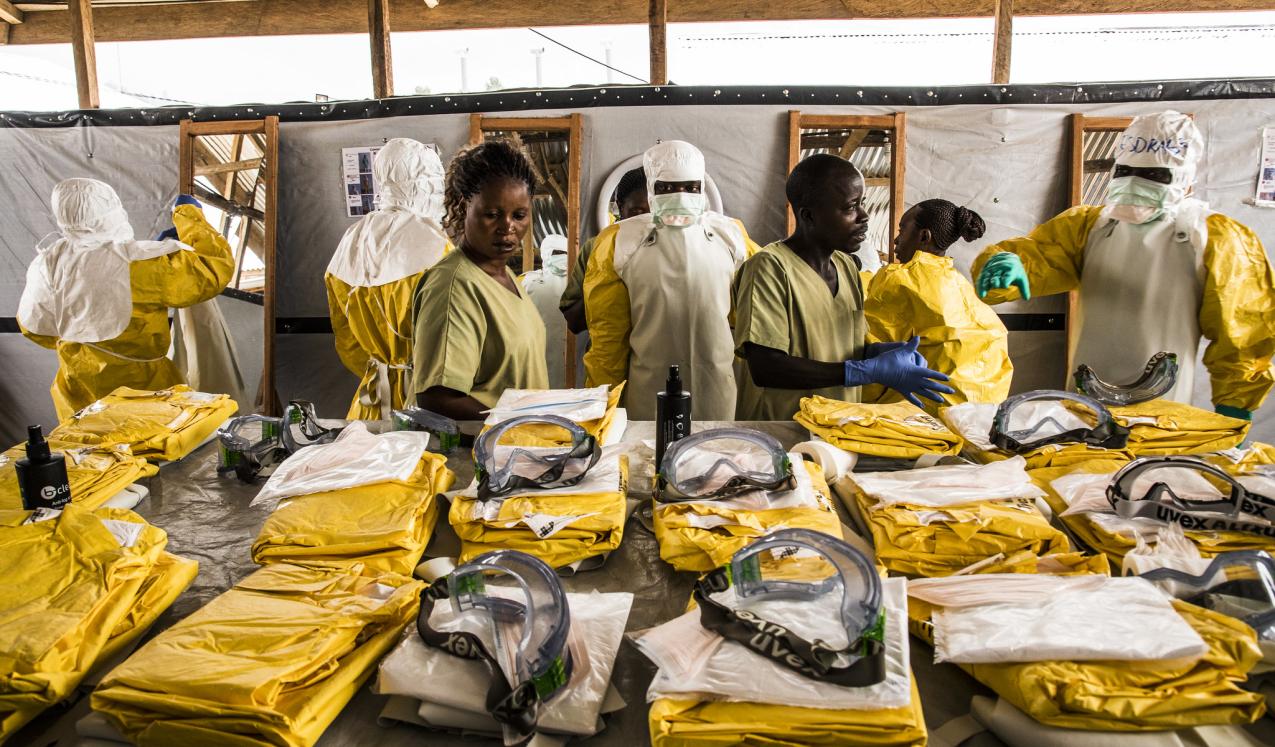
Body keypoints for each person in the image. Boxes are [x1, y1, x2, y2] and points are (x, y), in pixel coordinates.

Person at [973, 111, 1275, 419]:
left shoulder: (1215, 239)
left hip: (1162, 414)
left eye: (1154, 176)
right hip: (1083, 404)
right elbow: (1040, 256)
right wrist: (1007, 264)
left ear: (1184, 179)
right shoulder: (1087, 226)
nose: (1135, 183)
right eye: (1126, 171)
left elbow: (1244, 335)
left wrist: (1235, 409)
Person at [733, 154, 953, 420]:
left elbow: (847, 348)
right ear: (809, 216)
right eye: (850, 208)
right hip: (782, 432)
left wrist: (882, 355)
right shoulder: (769, 269)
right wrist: (865, 371)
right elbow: (766, 367)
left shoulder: (847, 268)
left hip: (838, 429)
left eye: (862, 203)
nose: (864, 216)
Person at [18, 178, 234, 421]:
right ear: (112, 211)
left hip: (76, 393)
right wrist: (189, 215)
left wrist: (85, 338)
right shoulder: (138, 264)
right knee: (151, 456)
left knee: (93, 455)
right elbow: (212, 269)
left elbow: (35, 330)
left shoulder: (48, 261)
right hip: (140, 392)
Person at [583, 140, 761, 421]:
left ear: (702, 187)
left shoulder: (732, 237)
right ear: (652, 185)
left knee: (714, 454)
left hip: (717, 384)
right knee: (650, 456)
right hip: (647, 391)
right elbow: (608, 340)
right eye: (666, 188)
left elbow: (752, 318)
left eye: (690, 187)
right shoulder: (618, 243)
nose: (679, 196)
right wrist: (600, 410)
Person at [411, 138, 548, 421]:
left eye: (519, 215)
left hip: (517, 444)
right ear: (463, 208)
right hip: (478, 453)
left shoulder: (503, 274)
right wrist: (519, 421)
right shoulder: (454, 287)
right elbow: (435, 398)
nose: (507, 228)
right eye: (492, 214)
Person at [326, 138, 452, 420]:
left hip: (371, 402)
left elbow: (347, 342)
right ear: (429, 184)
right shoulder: (436, 246)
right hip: (426, 402)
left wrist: (383, 368)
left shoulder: (351, 240)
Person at [865, 199, 1012, 409]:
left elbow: (873, 351)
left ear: (924, 236)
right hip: (983, 409)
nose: (896, 240)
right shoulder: (959, 283)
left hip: (926, 412)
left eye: (902, 230)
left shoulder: (899, 279)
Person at [560, 167, 649, 335]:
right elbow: (573, 322)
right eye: (638, 212)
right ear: (621, 207)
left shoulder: (673, 247)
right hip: (607, 356)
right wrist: (606, 284)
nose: (647, 220)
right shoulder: (595, 249)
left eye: (655, 213)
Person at [522, 234, 571, 387]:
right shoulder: (583, 282)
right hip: (555, 358)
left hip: (546, 358)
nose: (561, 257)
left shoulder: (527, 282)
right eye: (558, 253)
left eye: (563, 253)